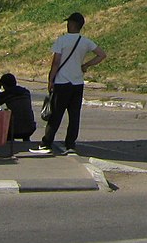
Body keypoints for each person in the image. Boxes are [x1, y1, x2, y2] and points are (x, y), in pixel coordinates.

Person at [36, 12, 105, 156]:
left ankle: (47, 142)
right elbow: (101, 54)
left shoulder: (62, 40)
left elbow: (56, 63)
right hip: (77, 83)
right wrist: (86, 65)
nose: (67, 25)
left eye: (69, 22)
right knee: (74, 116)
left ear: (73, 24)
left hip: (62, 82)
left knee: (56, 114)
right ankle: (70, 144)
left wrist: (50, 80)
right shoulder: (85, 41)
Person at [0, 72, 38, 142]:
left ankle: (10, 142)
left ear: (4, 86)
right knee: (22, 116)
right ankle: (26, 140)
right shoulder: (26, 92)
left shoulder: (7, 94)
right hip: (30, 128)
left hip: (14, 131)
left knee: (10, 121)